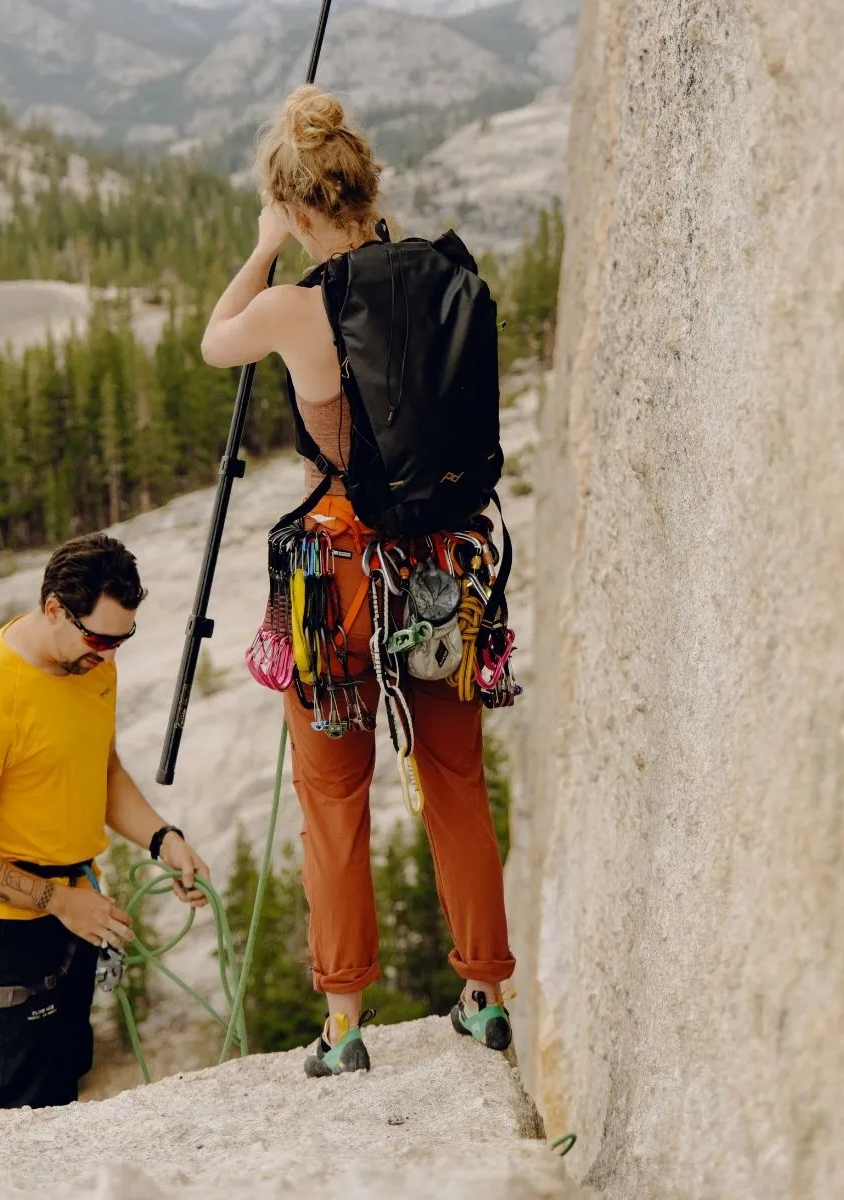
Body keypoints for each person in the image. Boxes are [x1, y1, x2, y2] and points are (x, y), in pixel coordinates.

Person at [200, 86, 516, 1077]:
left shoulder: (297, 309)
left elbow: (216, 342)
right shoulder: (443, 275)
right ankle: (485, 994)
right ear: (370, 187)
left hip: (337, 582)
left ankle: (342, 1026)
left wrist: (260, 249)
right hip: (445, 567)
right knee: (455, 780)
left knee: (332, 797)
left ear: (297, 211)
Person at [0, 532, 211, 1112]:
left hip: (72, 900)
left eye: (123, 639)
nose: (109, 654)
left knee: (63, 1084)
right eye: (99, 637)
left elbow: (100, 771)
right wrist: (58, 901)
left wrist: (163, 839)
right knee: (16, 1109)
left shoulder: (90, 665)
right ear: (54, 608)